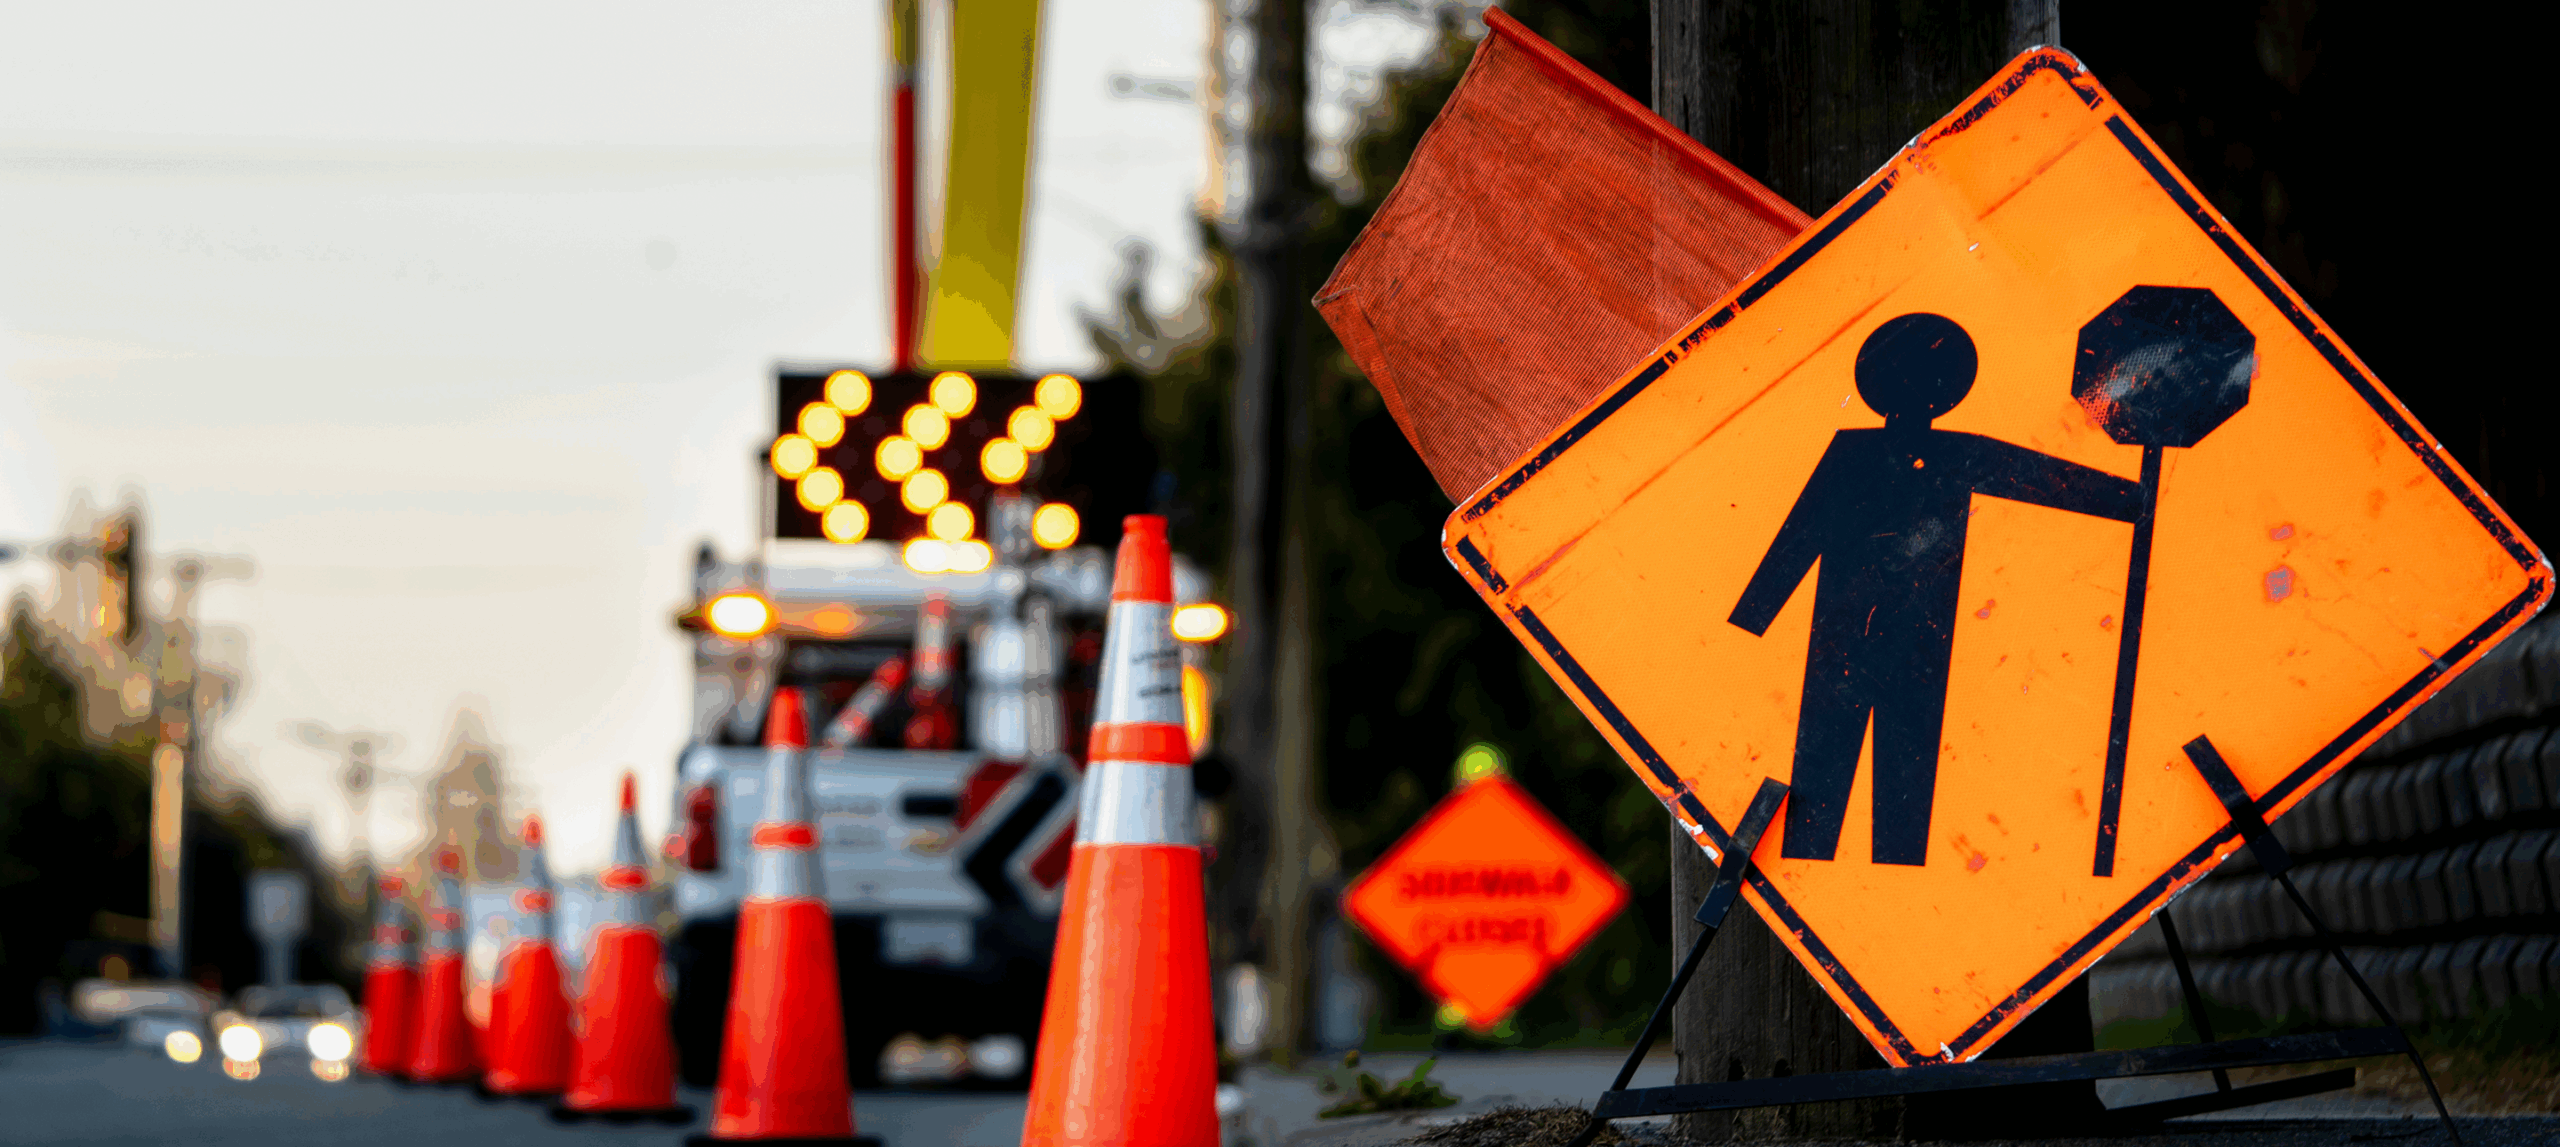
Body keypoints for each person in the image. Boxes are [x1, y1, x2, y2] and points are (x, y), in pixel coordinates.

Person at [1729, 313, 2143, 865]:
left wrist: (2132, 501)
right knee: (1830, 778)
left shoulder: (1932, 452)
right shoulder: (1873, 453)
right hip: (1855, 638)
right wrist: (1751, 618)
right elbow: (1798, 536)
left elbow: (2039, 477)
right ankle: (1828, 864)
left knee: (1898, 778)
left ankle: (1883, 874)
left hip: (1910, 640)